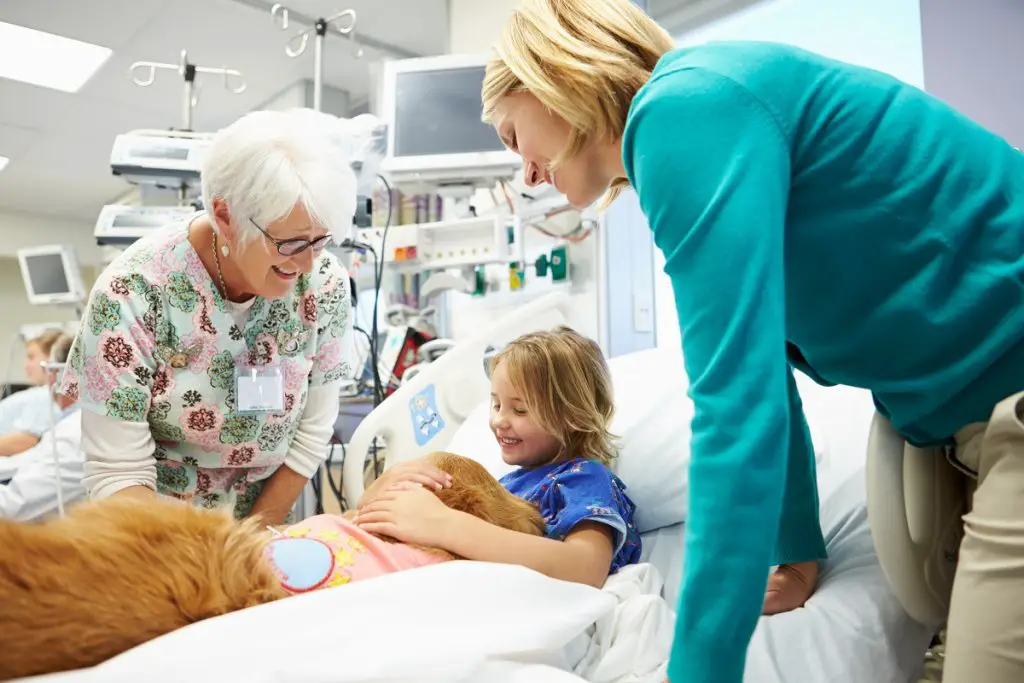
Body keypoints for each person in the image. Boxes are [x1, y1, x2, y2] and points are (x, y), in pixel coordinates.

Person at [480, 1, 1024, 682]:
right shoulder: (696, 117)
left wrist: (699, 669)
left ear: (548, 75)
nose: (524, 173)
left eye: (510, 135)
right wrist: (797, 547)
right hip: (959, 416)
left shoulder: (684, 110)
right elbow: (765, 370)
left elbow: (737, 412)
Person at [59, 108, 357, 525]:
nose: (307, 264)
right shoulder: (133, 293)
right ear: (224, 217)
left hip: (262, 522)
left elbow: (311, 434)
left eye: (320, 241)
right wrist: (206, 559)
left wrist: (255, 536)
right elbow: (118, 471)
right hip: (153, 530)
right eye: (290, 244)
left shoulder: (324, 285)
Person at [355, 326, 642, 588]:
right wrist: (385, 487)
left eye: (519, 410)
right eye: (496, 404)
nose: (499, 421)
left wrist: (443, 524)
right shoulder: (506, 484)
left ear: (573, 416)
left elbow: (585, 568)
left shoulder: (583, 478)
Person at [0, 334, 86, 521]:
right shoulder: (70, 426)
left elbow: (13, 507)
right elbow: (25, 461)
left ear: (58, 373)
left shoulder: (75, 434)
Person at [0, 329, 65, 457]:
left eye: (31, 357)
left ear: (52, 359)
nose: (25, 365)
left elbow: (27, 441)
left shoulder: (44, 396)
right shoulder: (38, 394)